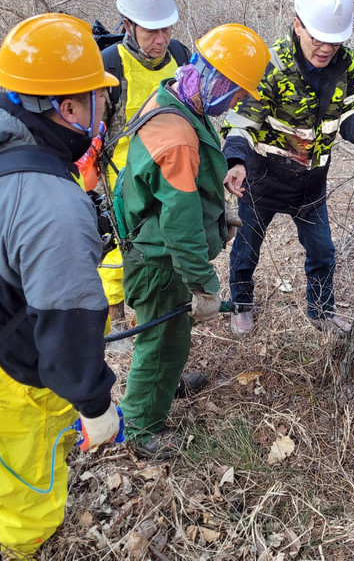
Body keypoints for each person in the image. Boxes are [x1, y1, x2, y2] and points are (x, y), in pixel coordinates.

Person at [0, 13, 122, 558]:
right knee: (30, 497)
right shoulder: (51, 205)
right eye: (98, 96)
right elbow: (67, 329)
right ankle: (19, 548)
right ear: (68, 108)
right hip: (13, 381)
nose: (106, 107)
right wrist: (95, 405)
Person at [116, 23, 270, 459]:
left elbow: (172, 181)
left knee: (175, 332)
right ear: (215, 77)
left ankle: (168, 384)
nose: (237, 100)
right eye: (236, 92)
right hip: (159, 260)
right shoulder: (179, 138)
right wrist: (205, 285)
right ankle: (141, 426)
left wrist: (215, 183)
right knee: (159, 339)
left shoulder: (175, 94)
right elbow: (180, 232)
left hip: (158, 250)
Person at [221, 0, 354, 338]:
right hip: (262, 181)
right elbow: (241, 121)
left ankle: (321, 311)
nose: (326, 48)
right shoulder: (271, 64)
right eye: (319, 38)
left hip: (311, 186)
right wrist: (234, 161)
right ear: (297, 25)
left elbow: (350, 110)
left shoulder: (344, 65)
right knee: (247, 250)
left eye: (334, 40)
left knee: (322, 253)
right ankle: (240, 303)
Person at [94, 0, 191, 321]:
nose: (161, 39)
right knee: (118, 255)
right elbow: (94, 132)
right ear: (128, 25)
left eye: (167, 29)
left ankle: (160, 316)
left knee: (165, 251)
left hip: (170, 173)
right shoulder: (110, 66)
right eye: (152, 31)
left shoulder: (180, 57)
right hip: (122, 181)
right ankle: (116, 316)